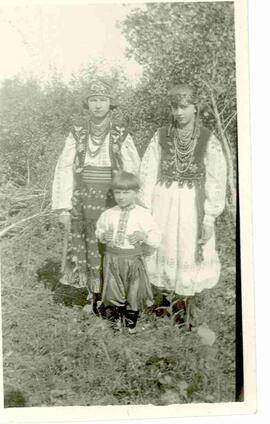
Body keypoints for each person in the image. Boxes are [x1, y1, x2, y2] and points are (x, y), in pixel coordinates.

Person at [138, 83, 227, 327]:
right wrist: (144, 208)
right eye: (174, 107)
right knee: (165, 245)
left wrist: (209, 215)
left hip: (191, 205)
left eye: (184, 107)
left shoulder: (208, 138)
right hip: (163, 202)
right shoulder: (161, 135)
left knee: (188, 246)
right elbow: (147, 170)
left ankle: (186, 308)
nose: (178, 112)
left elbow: (217, 177)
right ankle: (165, 302)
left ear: (196, 108)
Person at [52, 79, 141, 311]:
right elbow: (63, 169)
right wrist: (63, 206)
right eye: (93, 100)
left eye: (102, 100)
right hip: (83, 201)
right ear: (87, 104)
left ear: (110, 104)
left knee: (111, 245)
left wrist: (134, 203)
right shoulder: (77, 134)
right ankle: (91, 298)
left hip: (112, 200)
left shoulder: (121, 134)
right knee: (86, 247)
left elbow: (133, 170)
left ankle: (113, 297)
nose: (98, 105)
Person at [95, 171, 161, 333]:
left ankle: (130, 324)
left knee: (133, 291)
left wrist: (143, 236)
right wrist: (103, 236)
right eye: (118, 192)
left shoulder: (143, 214)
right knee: (112, 290)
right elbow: (99, 231)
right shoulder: (108, 214)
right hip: (112, 259)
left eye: (126, 192)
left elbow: (156, 236)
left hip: (132, 260)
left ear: (136, 193)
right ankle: (115, 321)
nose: (121, 197)